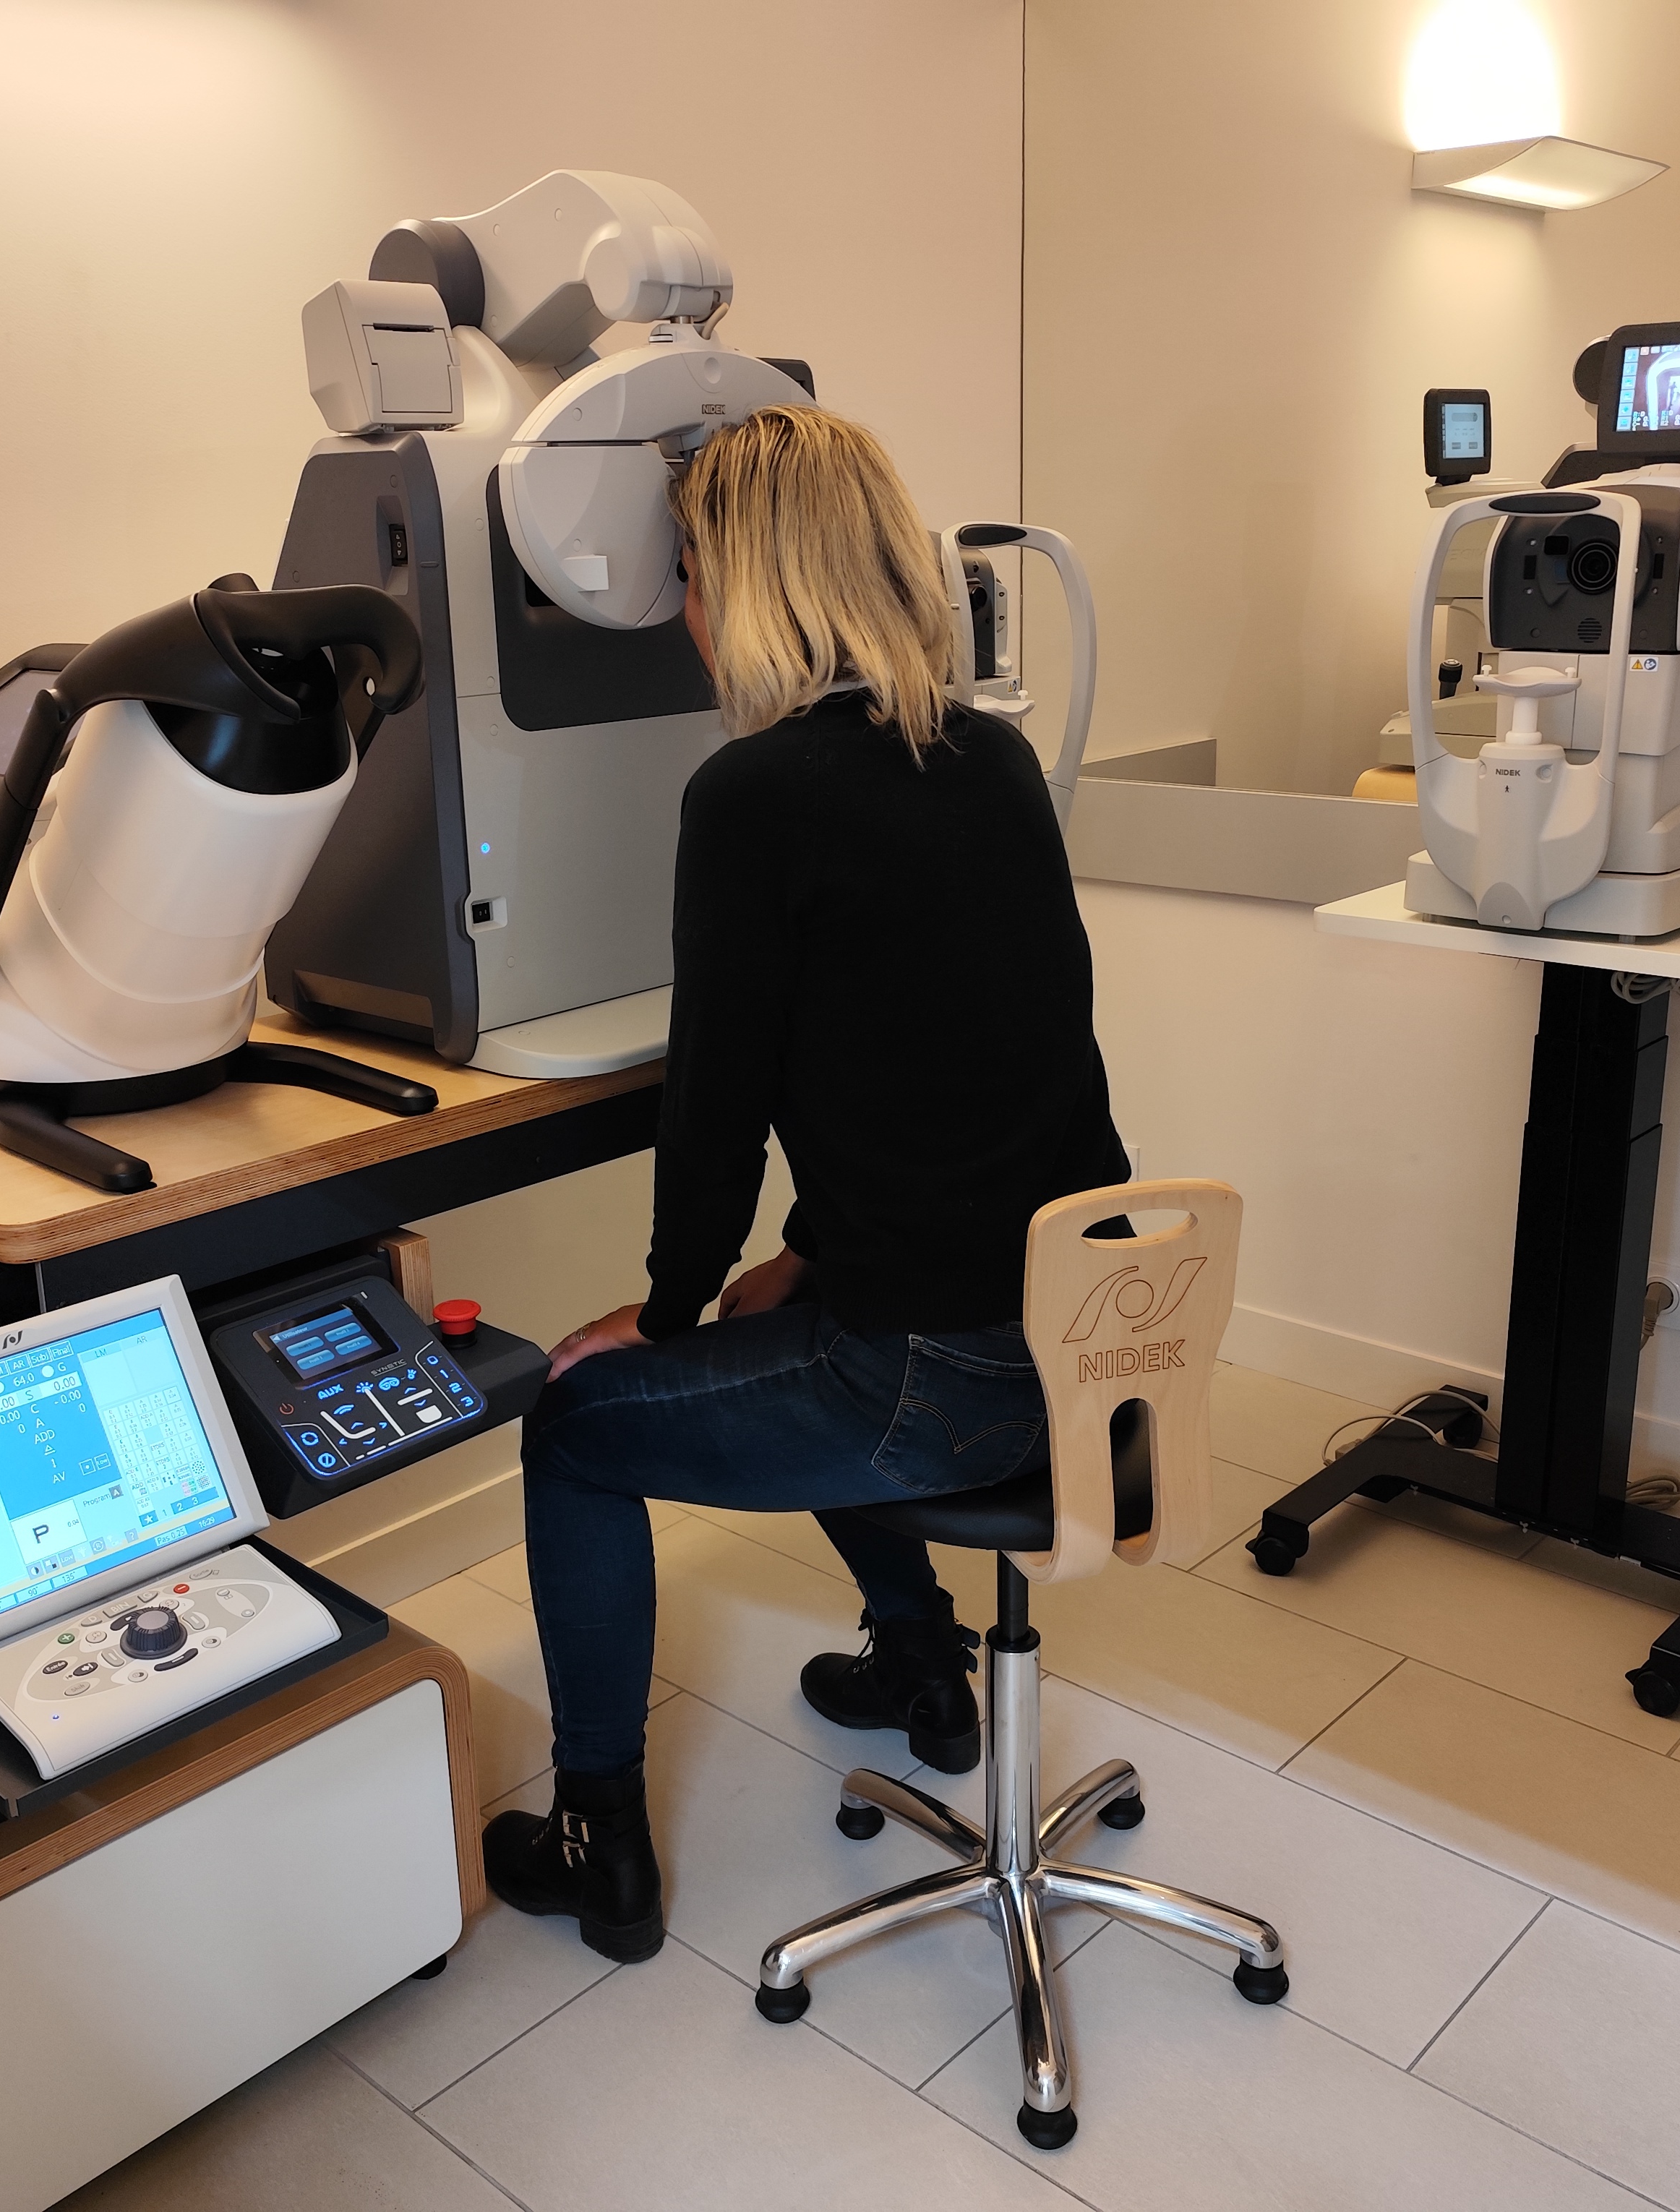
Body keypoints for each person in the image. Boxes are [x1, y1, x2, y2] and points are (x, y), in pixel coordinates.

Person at [482, 406, 1127, 1963]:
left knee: (574, 1428)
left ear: (745, 586)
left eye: (693, 578)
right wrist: (804, 1258)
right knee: (798, 1315)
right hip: (1091, 1335)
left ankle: (597, 1845)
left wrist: (667, 1310)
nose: (686, 616)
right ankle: (920, 1666)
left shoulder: (754, 794)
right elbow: (981, 1071)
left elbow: (717, 1109)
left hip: (939, 1380)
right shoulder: (990, 759)